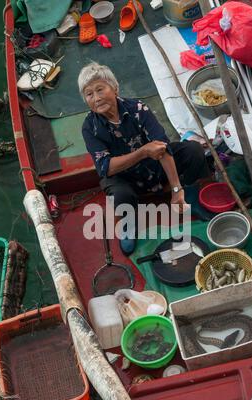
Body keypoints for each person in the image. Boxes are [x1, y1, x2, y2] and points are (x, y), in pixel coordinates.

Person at [79, 62, 212, 255]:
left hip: (154, 168)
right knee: (117, 192)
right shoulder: (89, 127)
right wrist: (142, 152)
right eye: (89, 94)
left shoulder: (138, 109)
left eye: (100, 89)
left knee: (193, 151)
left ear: (114, 88)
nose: (96, 98)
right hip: (126, 178)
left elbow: (162, 148)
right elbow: (106, 167)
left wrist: (176, 188)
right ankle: (129, 223)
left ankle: (186, 196)